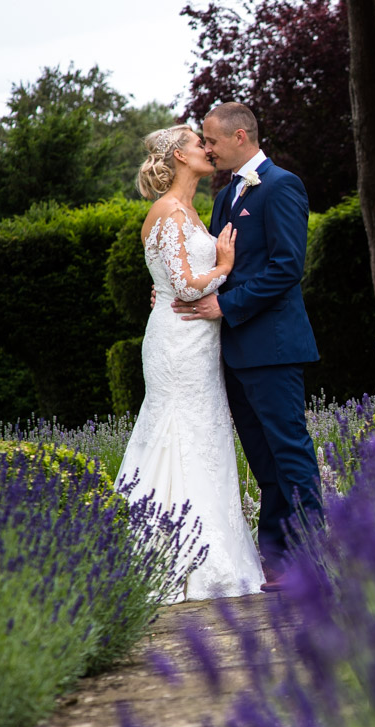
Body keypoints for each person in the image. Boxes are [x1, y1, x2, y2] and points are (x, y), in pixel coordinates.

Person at [173, 103, 322, 592]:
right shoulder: (228, 194)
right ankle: (276, 560)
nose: (207, 148)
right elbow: (218, 263)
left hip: (273, 347)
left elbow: (286, 267)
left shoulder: (281, 186)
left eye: (211, 140)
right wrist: (178, 289)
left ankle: (310, 558)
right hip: (234, 350)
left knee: (290, 452)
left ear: (240, 136)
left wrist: (226, 306)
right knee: (264, 461)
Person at [117, 124, 265, 602]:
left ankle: (203, 551)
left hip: (197, 342)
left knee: (203, 438)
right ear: (179, 156)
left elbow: (171, 278)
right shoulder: (167, 210)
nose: (207, 148)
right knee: (177, 433)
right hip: (178, 342)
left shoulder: (190, 212)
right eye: (198, 143)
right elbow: (182, 287)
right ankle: (167, 559)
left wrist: (203, 273)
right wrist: (223, 266)